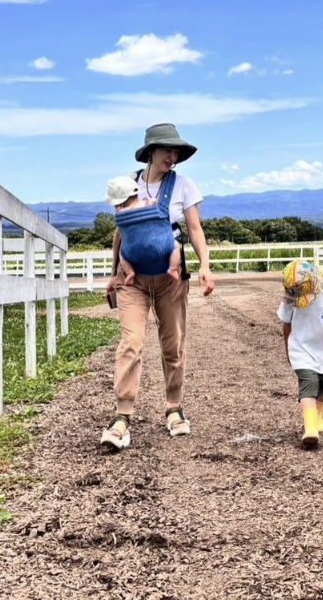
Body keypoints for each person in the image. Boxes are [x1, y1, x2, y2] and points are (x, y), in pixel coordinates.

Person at [101, 123, 215, 450]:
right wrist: (113, 274)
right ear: (151, 151)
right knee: (131, 342)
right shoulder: (128, 186)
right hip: (132, 280)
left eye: (176, 151)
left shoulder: (183, 186)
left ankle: (174, 408)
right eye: (167, 149)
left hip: (170, 279)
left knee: (173, 343)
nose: (173, 155)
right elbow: (121, 234)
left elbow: (194, 229)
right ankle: (122, 415)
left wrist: (205, 266)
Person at [277, 259, 323, 448]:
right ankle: (309, 429)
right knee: (308, 381)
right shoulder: (291, 298)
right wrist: (288, 350)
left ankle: (318, 414)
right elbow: (286, 324)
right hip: (301, 348)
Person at [104, 175, 182, 285]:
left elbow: (118, 233)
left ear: (119, 202)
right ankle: (172, 269)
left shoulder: (120, 212)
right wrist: (151, 201)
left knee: (122, 254)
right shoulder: (145, 204)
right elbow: (154, 202)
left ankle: (130, 272)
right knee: (176, 245)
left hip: (132, 252)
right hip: (158, 246)